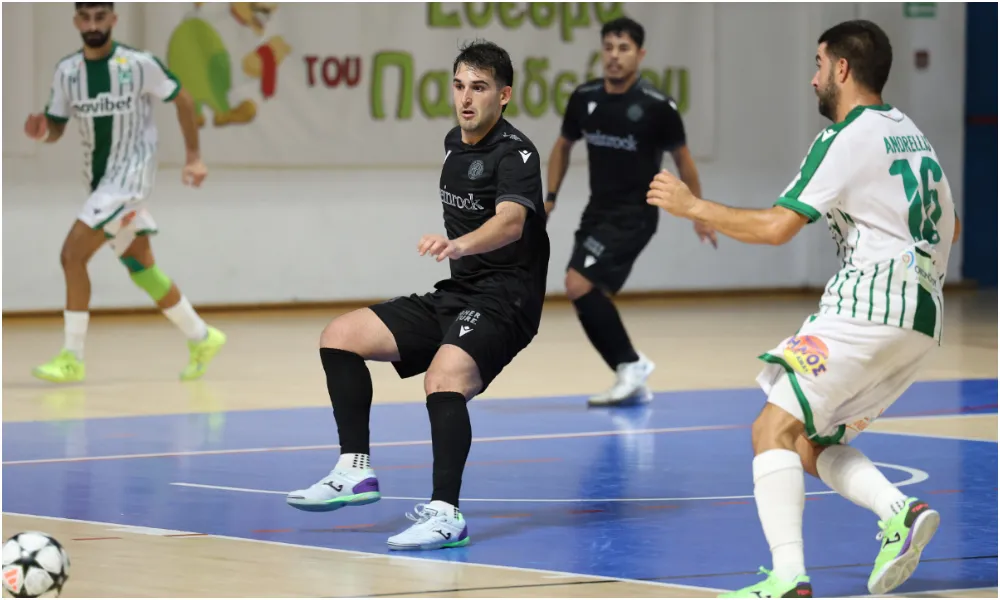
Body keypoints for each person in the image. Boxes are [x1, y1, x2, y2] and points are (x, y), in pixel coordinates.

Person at [646, 20, 958, 598]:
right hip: (923, 317)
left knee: (770, 428)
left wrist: (694, 207)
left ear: (842, 68)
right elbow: (952, 226)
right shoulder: (910, 134)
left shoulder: (843, 137)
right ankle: (900, 511)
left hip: (868, 305)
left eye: (818, 64)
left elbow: (776, 228)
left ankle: (789, 577)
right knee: (809, 442)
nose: (812, 78)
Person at [286, 40, 550, 551]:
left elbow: (512, 223)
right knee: (340, 336)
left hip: (506, 300)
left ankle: (446, 513)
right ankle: (354, 470)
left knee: (443, 377)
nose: (466, 99)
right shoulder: (455, 141)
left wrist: (458, 243)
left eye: (479, 88)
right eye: (458, 86)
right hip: (459, 292)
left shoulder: (517, 153)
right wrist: (458, 257)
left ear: (504, 95)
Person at [24, 2, 226, 383]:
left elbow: (182, 99)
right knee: (141, 266)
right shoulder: (67, 73)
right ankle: (202, 336)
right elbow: (55, 127)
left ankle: (72, 356)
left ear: (113, 20)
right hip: (100, 183)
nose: (93, 24)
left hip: (129, 179)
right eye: (86, 18)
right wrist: (42, 132)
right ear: (76, 22)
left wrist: (194, 157)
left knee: (72, 256)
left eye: (101, 17)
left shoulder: (138, 64)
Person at [546, 17, 717, 407]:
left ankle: (630, 365)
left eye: (623, 49)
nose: (614, 56)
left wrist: (699, 213)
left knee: (578, 284)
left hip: (637, 212)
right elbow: (562, 147)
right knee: (586, 291)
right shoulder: (584, 98)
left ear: (639, 55)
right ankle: (631, 371)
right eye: (608, 47)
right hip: (598, 210)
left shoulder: (657, 107)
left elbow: (684, 162)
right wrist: (551, 195)